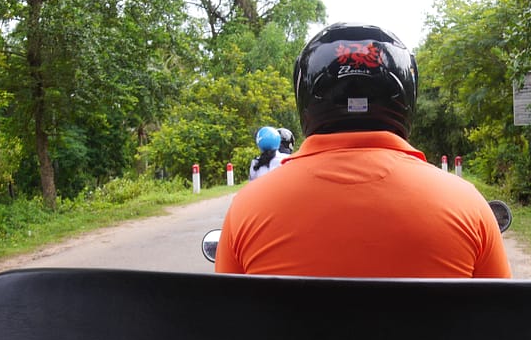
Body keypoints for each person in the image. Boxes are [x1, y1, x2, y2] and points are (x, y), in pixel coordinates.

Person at [216, 22, 511, 278]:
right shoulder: (468, 206)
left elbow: (228, 327)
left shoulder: (247, 208)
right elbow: (501, 325)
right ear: (407, 94)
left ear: (305, 96)